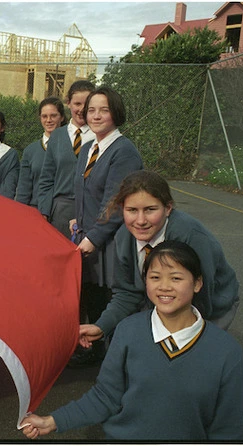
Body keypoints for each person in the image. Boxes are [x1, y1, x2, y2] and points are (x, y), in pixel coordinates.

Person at [20, 241, 243, 441]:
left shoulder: (225, 351)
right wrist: (52, 421)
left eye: (176, 278)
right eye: (155, 277)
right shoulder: (129, 330)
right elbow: (105, 396)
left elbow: (229, 428)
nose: (164, 286)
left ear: (197, 283)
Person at [78, 170, 239, 349]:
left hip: (209, 304)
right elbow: (127, 293)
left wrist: (191, 338)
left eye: (150, 210)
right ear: (122, 209)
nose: (140, 221)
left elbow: (203, 295)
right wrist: (102, 326)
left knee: (192, 359)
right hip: (162, 301)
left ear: (168, 208)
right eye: (132, 210)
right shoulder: (124, 237)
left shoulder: (190, 237)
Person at [68, 86, 143, 367]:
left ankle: (117, 361)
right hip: (89, 237)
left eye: (104, 109)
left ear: (116, 113)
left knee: (114, 299)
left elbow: (115, 200)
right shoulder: (89, 148)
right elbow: (85, 192)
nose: (96, 115)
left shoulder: (124, 151)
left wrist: (93, 238)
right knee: (94, 297)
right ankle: (97, 352)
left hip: (111, 241)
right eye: (91, 110)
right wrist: (78, 220)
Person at [36, 81, 95, 235]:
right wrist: (44, 210)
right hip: (60, 212)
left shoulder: (100, 136)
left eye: (86, 103)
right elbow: (46, 179)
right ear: (69, 103)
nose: (81, 109)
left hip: (91, 211)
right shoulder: (57, 136)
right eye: (77, 103)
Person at [16, 97, 67, 207]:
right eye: (44, 116)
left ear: (62, 117)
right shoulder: (30, 151)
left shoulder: (71, 148)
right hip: (35, 211)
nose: (49, 120)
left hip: (61, 211)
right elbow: (23, 189)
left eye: (53, 116)